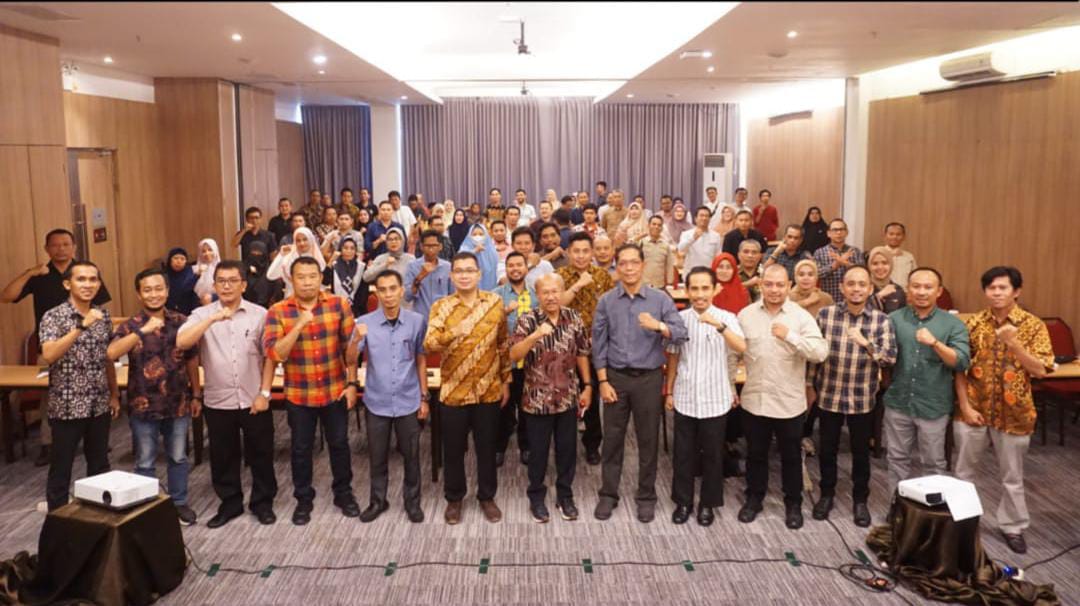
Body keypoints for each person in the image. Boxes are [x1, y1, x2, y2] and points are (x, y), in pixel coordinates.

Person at [953, 266, 1053, 554]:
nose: (996, 293)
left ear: (1016, 291)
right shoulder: (973, 323)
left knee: (1012, 477)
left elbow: (1041, 369)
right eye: (991, 288)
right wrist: (964, 406)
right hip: (974, 409)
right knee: (963, 472)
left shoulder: (1033, 325)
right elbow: (960, 368)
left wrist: (1014, 344)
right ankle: (962, 523)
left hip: (1015, 413)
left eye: (1003, 288)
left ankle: (1012, 526)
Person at [177, 260, 278, 528]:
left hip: (253, 397)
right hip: (218, 399)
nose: (226, 286)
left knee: (261, 453)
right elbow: (182, 342)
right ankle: (230, 503)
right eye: (221, 281)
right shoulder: (201, 314)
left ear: (243, 285)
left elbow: (270, 356)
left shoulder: (260, 314)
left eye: (233, 281)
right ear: (214, 285)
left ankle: (262, 503)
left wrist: (265, 393)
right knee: (223, 456)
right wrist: (212, 318)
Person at [593, 244, 688, 523]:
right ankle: (608, 494)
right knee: (612, 440)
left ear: (643, 265)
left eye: (634, 262)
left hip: (649, 378)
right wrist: (602, 381)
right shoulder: (607, 301)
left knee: (648, 441)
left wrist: (659, 326)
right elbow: (598, 344)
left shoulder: (660, 300)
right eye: (623, 263)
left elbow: (681, 333)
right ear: (617, 267)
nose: (629, 268)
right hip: (616, 378)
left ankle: (646, 496)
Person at [2, 229, 113, 466]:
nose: (61, 249)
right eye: (55, 245)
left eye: (65, 244)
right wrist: (29, 272)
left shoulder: (84, 271)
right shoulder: (40, 274)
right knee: (50, 396)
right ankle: (48, 443)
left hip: (88, 346)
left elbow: (100, 307)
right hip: (51, 346)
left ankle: (95, 440)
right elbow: (6, 296)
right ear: (46, 249)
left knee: (95, 389)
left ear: (74, 247)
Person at [263, 256, 359, 525]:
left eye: (312, 276)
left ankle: (343, 494)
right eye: (301, 277)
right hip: (299, 394)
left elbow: (350, 351)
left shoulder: (338, 304)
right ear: (291, 280)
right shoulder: (278, 311)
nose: (307, 282)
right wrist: (299, 325)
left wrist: (352, 384)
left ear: (321, 278)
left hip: (334, 390)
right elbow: (275, 354)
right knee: (301, 449)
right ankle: (303, 499)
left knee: (339, 445)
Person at [736, 264, 828, 529]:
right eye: (769, 284)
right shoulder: (746, 315)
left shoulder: (800, 317)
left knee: (791, 457)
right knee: (755, 454)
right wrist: (731, 387)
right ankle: (754, 498)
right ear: (760, 285)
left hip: (789, 402)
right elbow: (732, 353)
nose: (774, 290)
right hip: (755, 399)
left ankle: (793, 503)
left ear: (788, 286)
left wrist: (791, 337)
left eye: (780, 285)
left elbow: (820, 352)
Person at [107, 268, 201, 525]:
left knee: (178, 456)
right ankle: (147, 507)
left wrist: (196, 394)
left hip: (177, 402)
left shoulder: (182, 321)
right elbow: (111, 353)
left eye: (159, 288)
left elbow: (192, 359)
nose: (154, 294)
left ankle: (179, 502)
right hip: (143, 404)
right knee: (145, 460)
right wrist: (143, 331)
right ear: (139, 294)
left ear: (167, 291)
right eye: (147, 290)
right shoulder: (130, 325)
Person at [424, 252, 511, 525]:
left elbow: (503, 345)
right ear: (452, 276)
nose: (464, 275)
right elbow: (429, 343)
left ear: (479, 274)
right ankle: (454, 498)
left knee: (487, 447)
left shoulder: (495, 302)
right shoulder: (441, 306)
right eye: (459, 271)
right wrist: (454, 332)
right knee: (452, 449)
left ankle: (487, 496)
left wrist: (506, 380)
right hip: (454, 391)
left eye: (469, 270)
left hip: (488, 389)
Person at [809, 265, 897, 527]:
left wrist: (866, 344)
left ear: (870, 289)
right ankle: (826, 495)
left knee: (860, 453)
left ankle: (860, 500)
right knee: (827, 450)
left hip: (862, 398)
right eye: (851, 284)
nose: (856, 289)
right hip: (829, 394)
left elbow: (889, 359)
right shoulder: (826, 315)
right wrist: (809, 385)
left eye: (862, 284)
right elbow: (814, 357)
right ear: (842, 287)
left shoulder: (881, 320)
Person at [665, 267, 747, 526]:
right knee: (683, 454)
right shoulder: (679, 319)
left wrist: (719, 326)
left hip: (715, 397)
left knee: (713, 455)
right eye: (695, 289)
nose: (700, 294)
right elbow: (674, 356)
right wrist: (669, 390)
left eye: (705, 288)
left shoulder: (727, 317)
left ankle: (708, 504)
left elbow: (742, 347)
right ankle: (683, 502)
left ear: (715, 289)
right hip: (685, 395)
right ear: (687, 291)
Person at [509, 273, 592, 523]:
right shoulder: (527, 319)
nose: (551, 296)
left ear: (562, 292)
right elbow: (514, 355)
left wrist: (588, 385)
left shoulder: (573, 317)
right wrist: (534, 336)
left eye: (555, 291)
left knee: (567, 450)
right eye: (545, 292)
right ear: (538, 295)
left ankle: (565, 496)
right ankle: (536, 496)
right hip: (537, 400)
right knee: (538, 452)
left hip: (568, 396)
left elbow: (582, 352)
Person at [349, 269, 429, 524]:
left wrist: (424, 397)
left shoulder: (417, 321)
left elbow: (420, 360)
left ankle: (412, 502)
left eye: (393, 288)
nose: (388, 295)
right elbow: (350, 359)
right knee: (377, 457)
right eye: (382, 290)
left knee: (412, 456)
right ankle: (377, 501)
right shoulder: (364, 322)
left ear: (401, 290)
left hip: (408, 399)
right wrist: (355, 340)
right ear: (377, 293)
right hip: (377, 400)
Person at [37, 261, 119, 510]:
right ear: (67, 284)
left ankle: (98, 521)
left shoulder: (103, 315)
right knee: (61, 469)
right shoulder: (53, 316)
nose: (88, 284)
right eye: (81, 279)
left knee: (100, 467)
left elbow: (107, 358)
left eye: (93, 279)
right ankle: (57, 522)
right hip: (67, 406)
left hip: (99, 404)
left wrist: (114, 394)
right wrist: (81, 326)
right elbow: (49, 355)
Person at [882, 267, 970, 495]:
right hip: (898, 402)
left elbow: (961, 362)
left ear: (939, 291)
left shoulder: (952, 324)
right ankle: (897, 508)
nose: (921, 292)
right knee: (896, 459)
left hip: (933, 405)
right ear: (908, 290)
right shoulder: (893, 320)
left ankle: (930, 511)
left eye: (928, 287)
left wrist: (935, 344)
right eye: (916, 286)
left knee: (933, 464)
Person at [557, 232, 617, 465]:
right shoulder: (560, 276)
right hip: (563, 348)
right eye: (576, 251)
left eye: (585, 251)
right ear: (568, 252)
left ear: (592, 253)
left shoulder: (602, 276)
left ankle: (592, 445)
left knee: (590, 394)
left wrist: (600, 337)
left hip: (593, 347)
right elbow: (556, 304)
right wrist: (578, 284)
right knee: (563, 399)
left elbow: (611, 311)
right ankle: (564, 447)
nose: (581, 256)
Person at [493, 252, 539, 467]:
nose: (515, 269)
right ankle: (499, 447)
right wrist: (503, 312)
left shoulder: (536, 295)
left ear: (526, 268)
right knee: (503, 407)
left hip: (532, 361)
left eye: (519, 265)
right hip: (505, 362)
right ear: (506, 269)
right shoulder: (496, 295)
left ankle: (526, 446)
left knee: (527, 407)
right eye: (510, 265)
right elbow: (488, 325)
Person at [813, 219, 865, 303]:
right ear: (828, 233)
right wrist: (835, 265)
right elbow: (817, 274)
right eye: (835, 230)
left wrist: (845, 263)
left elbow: (863, 273)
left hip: (851, 300)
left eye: (841, 229)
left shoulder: (855, 251)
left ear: (846, 232)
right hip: (828, 299)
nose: (838, 232)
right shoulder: (819, 252)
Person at [404, 229, 453, 319]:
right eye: (427, 246)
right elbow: (407, 296)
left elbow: (453, 295)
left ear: (440, 247)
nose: (431, 249)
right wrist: (421, 276)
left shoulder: (447, 267)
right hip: (420, 318)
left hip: (442, 317)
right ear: (421, 246)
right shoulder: (412, 266)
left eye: (434, 245)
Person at [268, 227, 326, 297]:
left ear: (311, 240)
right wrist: (281, 256)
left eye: (305, 239)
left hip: (314, 297)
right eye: (298, 240)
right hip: (292, 297)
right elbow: (270, 276)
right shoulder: (289, 257)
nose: (302, 243)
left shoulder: (317, 257)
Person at [324, 235, 368, 318]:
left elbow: (363, 294)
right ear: (340, 249)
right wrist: (331, 261)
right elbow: (324, 281)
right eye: (345, 248)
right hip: (336, 309)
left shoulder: (361, 267)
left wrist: (353, 311)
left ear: (355, 251)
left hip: (356, 311)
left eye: (352, 248)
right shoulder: (334, 265)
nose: (349, 251)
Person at [677, 207, 724, 281]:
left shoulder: (716, 236)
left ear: (710, 219)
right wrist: (693, 238)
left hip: (709, 275)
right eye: (701, 215)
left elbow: (718, 256)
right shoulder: (687, 234)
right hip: (690, 274)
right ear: (695, 218)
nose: (704, 218)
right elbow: (680, 249)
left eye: (707, 216)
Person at [458, 223, 500, 291]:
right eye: (474, 234)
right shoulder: (464, 247)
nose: (478, 236)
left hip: (489, 282)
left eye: (481, 234)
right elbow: (460, 260)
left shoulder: (491, 249)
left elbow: (496, 266)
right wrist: (474, 251)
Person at [866, 246, 907, 313]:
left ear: (891, 264)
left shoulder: (898, 290)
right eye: (875, 263)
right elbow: (859, 311)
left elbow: (901, 316)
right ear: (869, 266)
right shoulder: (864, 288)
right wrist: (878, 296)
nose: (880, 267)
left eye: (884, 263)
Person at [243, 240, 282, 309]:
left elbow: (277, 294)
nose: (256, 256)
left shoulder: (271, 273)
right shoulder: (242, 271)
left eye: (259, 253)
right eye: (253, 253)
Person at [641, 216, 675, 288]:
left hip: (659, 285)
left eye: (659, 225)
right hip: (642, 285)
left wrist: (670, 282)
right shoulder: (641, 243)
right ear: (648, 225)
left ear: (662, 228)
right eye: (654, 224)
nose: (656, 227)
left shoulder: (666, 245)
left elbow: (669, 265)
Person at [164, 247, 199, 315]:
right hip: (169, 311)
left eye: (182, 259)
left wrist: (196, 276)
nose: (179, 261)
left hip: (189, 310)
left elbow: (186, 288)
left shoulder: (190, 271)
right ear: (170, 260)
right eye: (176, 258)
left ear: (186, 261)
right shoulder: (164, 274)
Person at [883, 222, 917, 288]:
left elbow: (915, 276)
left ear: (904, 237)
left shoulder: (909, 257)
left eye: (898, 234)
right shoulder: (878, 254)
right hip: (883, 291)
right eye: (891, 234)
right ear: (885, 235)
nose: (894, 237)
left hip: (905, 292)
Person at [193, 238, 221, 305]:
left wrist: (212, 297)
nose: (207, 253)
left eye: (210, 250)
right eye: (203, 251)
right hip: (198, 304)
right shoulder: (194, 269)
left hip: (219, 302)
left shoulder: (222, 268)